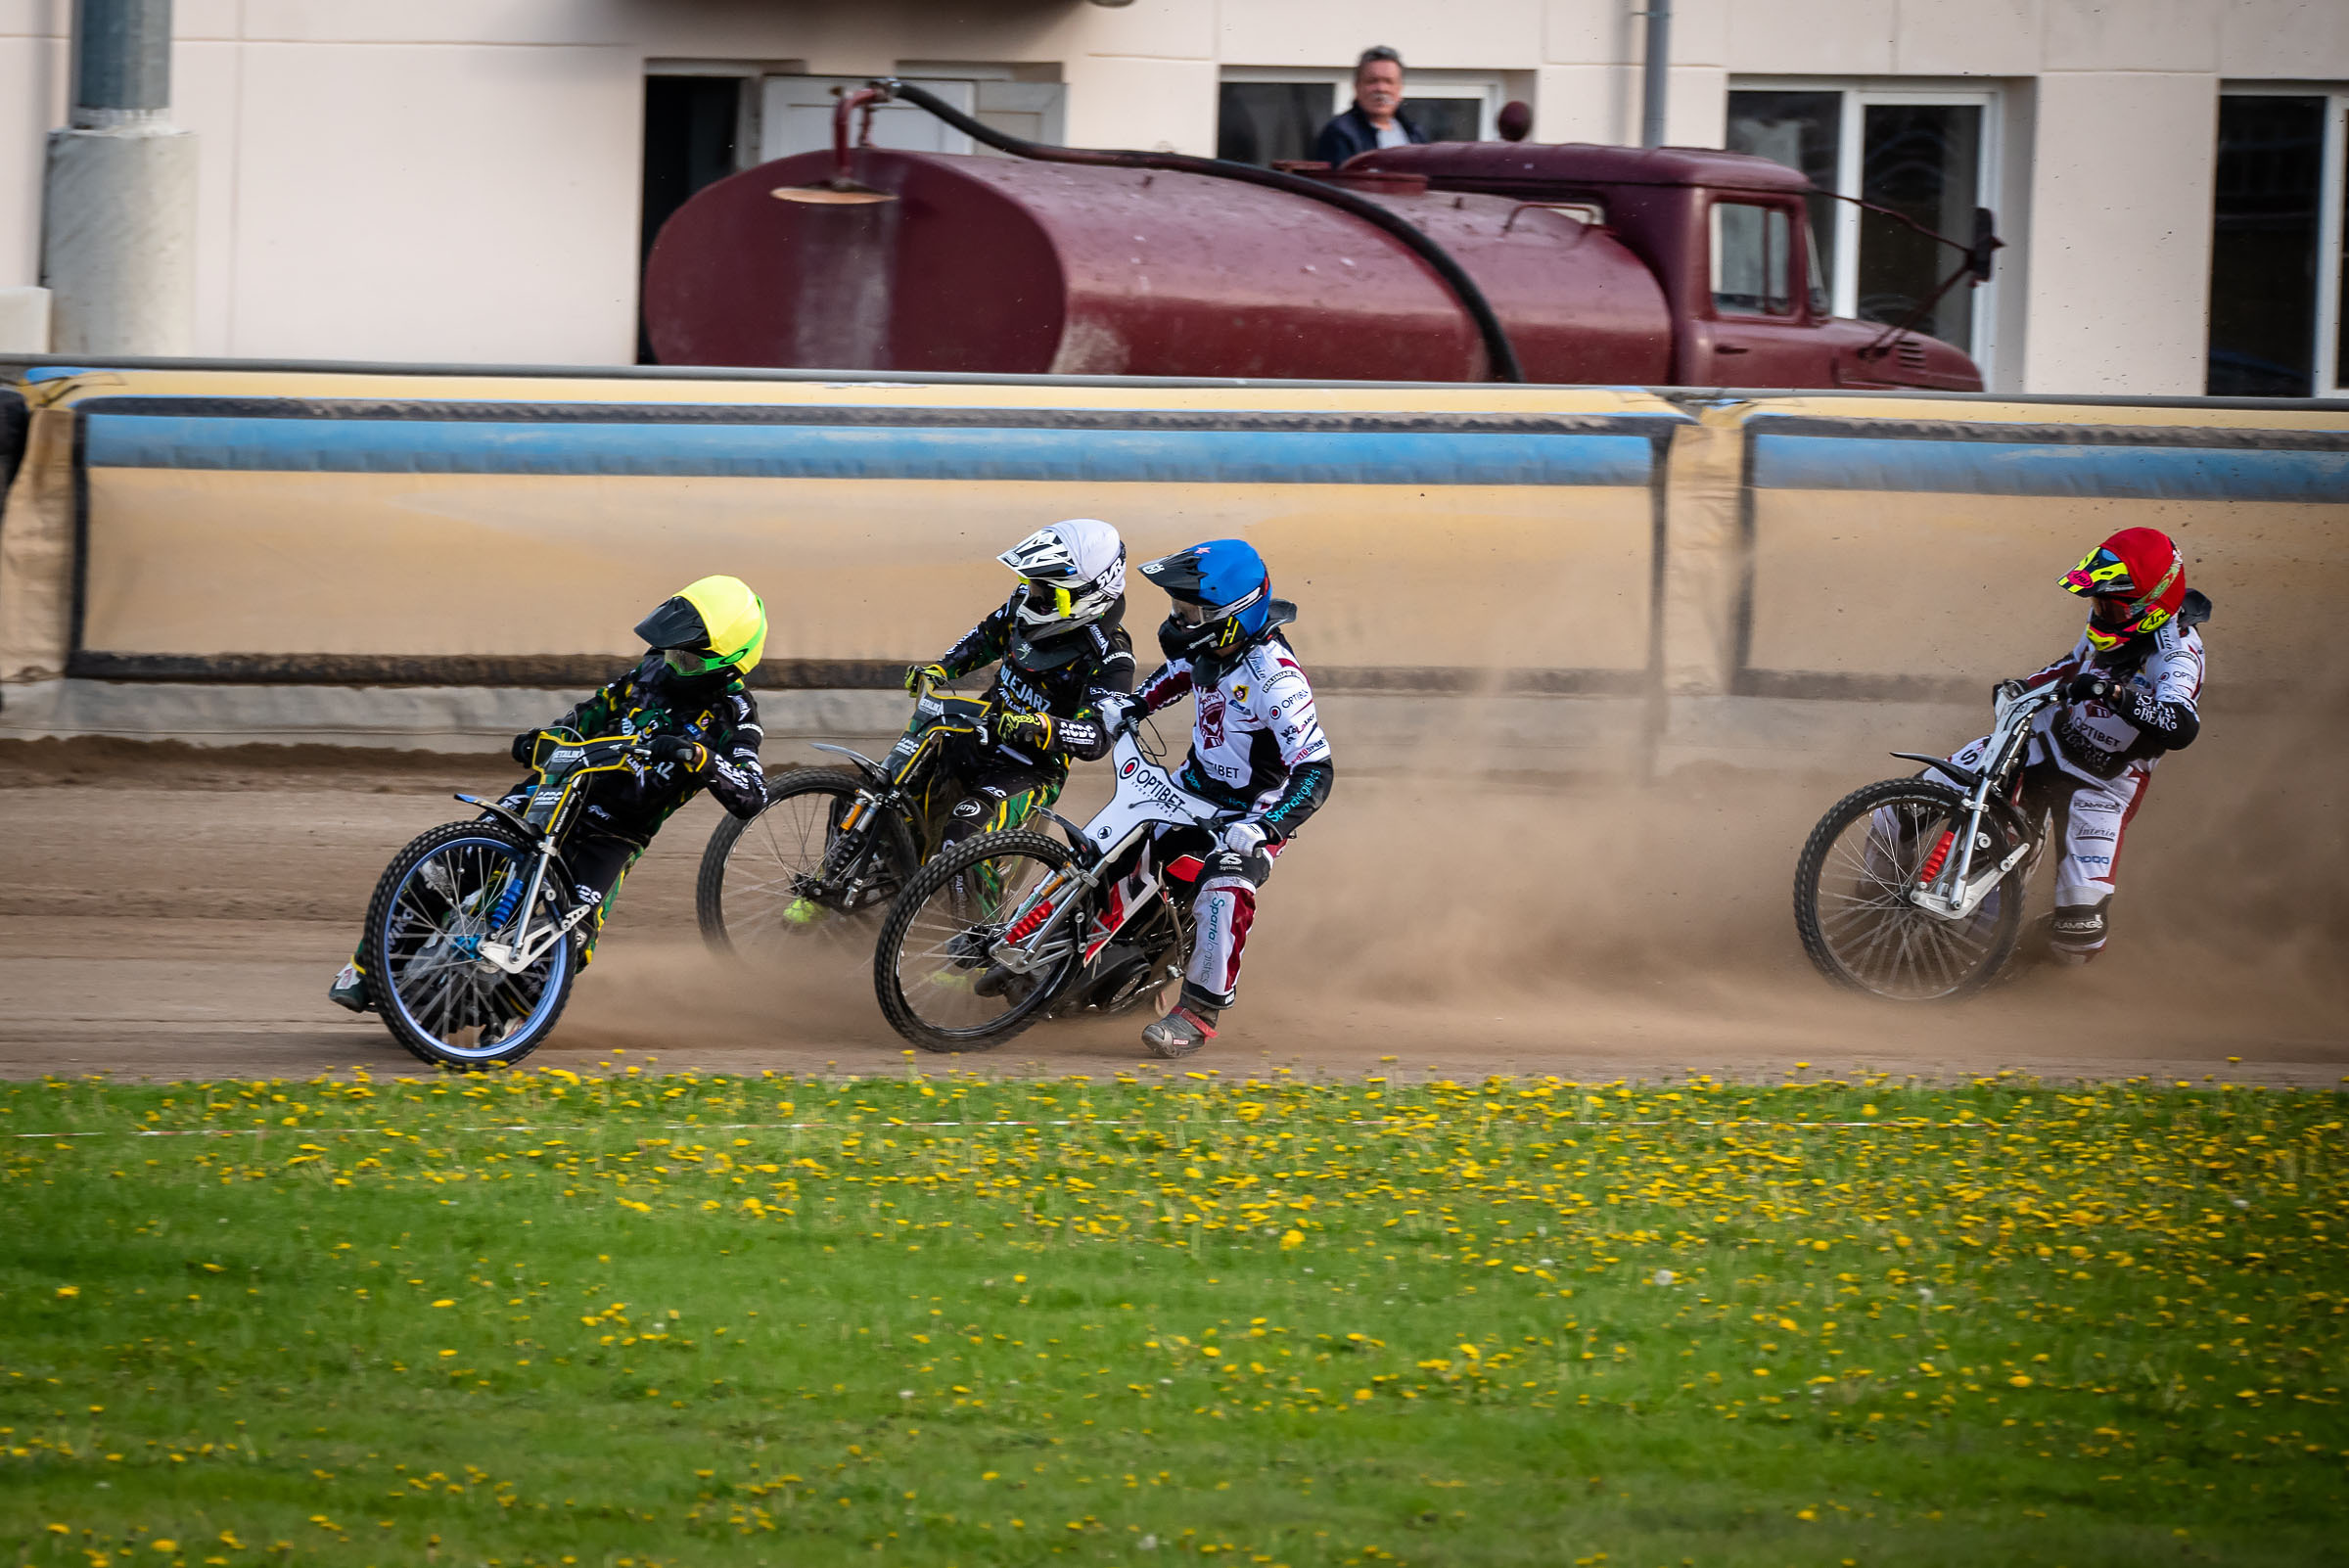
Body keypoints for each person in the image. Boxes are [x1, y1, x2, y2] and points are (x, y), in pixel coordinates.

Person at [328, 575, 771, 1012]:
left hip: (614, 835)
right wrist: (544, 738)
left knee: (572, 940)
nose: (672, 663)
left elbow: (753, 795)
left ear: (728, 662)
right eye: (671, 651)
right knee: (448, 867)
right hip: (557, 790)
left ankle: (503, 1022)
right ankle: (366, 969)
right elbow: (589, 714)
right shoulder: (652, 668)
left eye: (687, 659)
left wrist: (700, 757)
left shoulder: (736, 713)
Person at [1100, 539, 1335, 1058]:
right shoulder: (1212, 648)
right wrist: (1135, 706)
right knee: (1114, 852)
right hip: (1193, 786)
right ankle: (1067, 958)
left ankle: (1197, 1015)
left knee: (1226, 883)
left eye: (1189, 612)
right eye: (1177, 608)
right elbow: (1180, 674)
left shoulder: (1275, 679)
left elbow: (1316, 769)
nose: (1177, 621)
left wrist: (1267, 827)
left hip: (1251, 813)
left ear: (1230, 616)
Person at [1941, 527, 2208, 965]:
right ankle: (1871, 897)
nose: (2100, 614)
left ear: (2150, 605)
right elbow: (2072, 664)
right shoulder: (2110, 623)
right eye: (2097, 603)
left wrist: (2113, 693)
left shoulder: (2178, 655)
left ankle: (2009, 959)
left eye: (2110, 606)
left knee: (2079, 941)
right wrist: (2023, 687)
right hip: (2040, 744)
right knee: (1902, 810)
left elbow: (2181, 726)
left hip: (2102, 786)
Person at [900, 519, 1136, 852]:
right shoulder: (1024, 604)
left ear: (1085, 593)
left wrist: (1041, 725)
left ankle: (964, 888)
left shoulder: (1112, 656)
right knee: (884, 799)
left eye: (1045, 590)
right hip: (977, 733)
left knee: (961, 836)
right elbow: (986, 637)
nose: (1032, 595)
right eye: (1031, 583)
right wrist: (939, 669)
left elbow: (1098, 736)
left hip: (1031, 768)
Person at [1313, 46, 1429, 164]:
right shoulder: (1339, 133)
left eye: (1389, 81)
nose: (1381, 88)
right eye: (1372, 81)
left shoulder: (1414, 133)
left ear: (1400, 88)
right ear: (1357, 86)